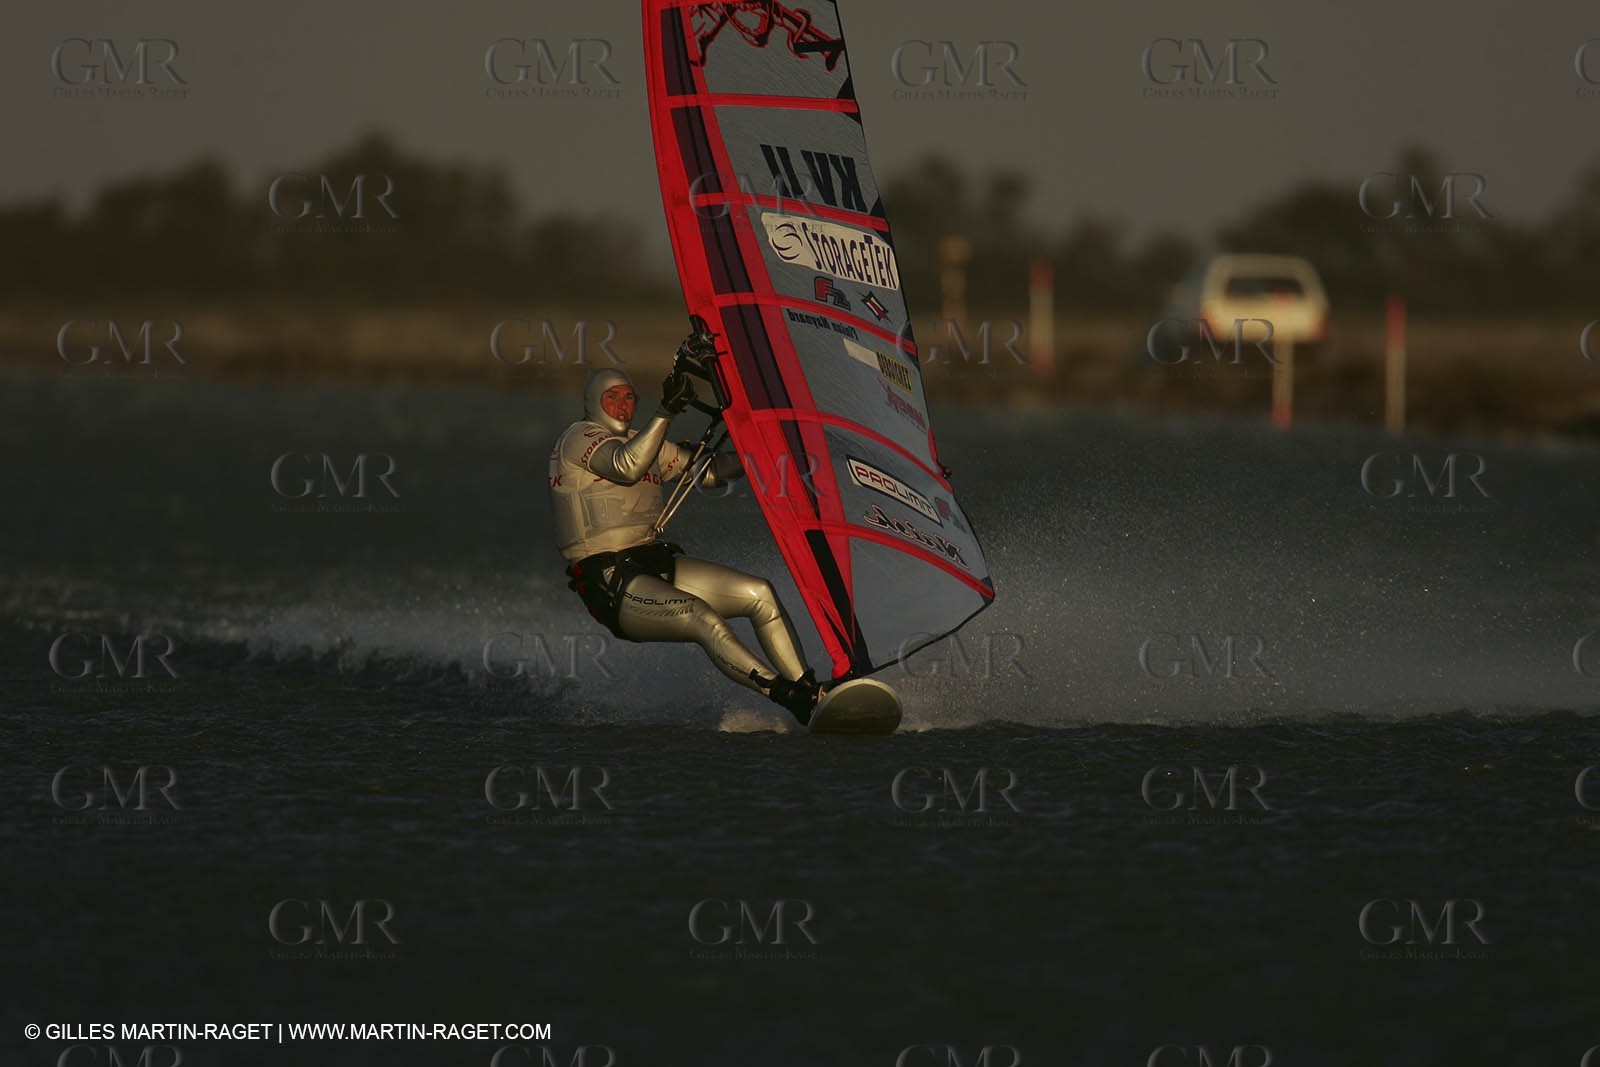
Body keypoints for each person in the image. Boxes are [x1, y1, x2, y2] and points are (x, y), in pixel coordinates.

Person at [548, 342, 823, 724]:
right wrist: (667, 411)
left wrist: (765, 453)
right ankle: (788, 696)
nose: (623, 406)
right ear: (594, 401)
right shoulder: (579, 437)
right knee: (702, 617)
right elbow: (626, 467)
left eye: (629, 398)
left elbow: (707, 473)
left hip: (652, 564)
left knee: (761, 594)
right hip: (610, 583)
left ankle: (811, 691)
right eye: (613, 398)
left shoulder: (647, 446)